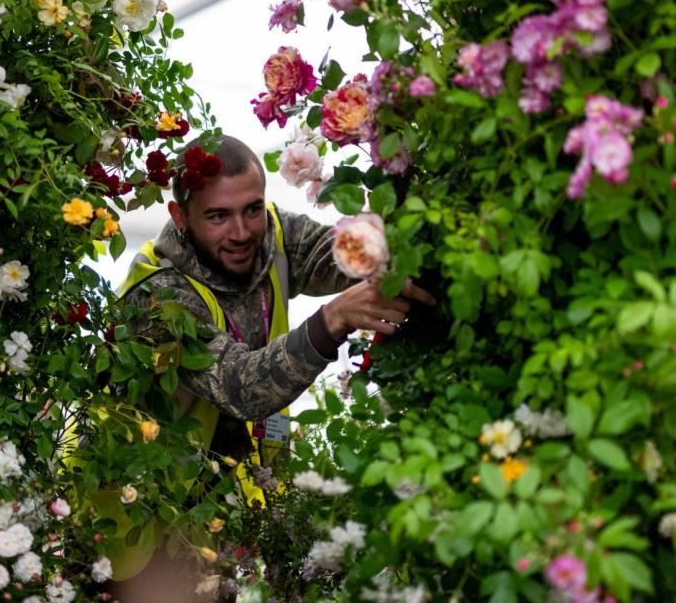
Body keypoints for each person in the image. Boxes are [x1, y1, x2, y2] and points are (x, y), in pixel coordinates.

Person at [106, 134, 435, 603]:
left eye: (252, 209)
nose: (241, 232)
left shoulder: (272, 237)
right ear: (181, 218)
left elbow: (333, 257)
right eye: (218, 216)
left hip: (222, 509)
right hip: (142, 526)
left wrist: (393, 241)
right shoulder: (157, 295)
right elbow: (244, 388)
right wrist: (335, 319)